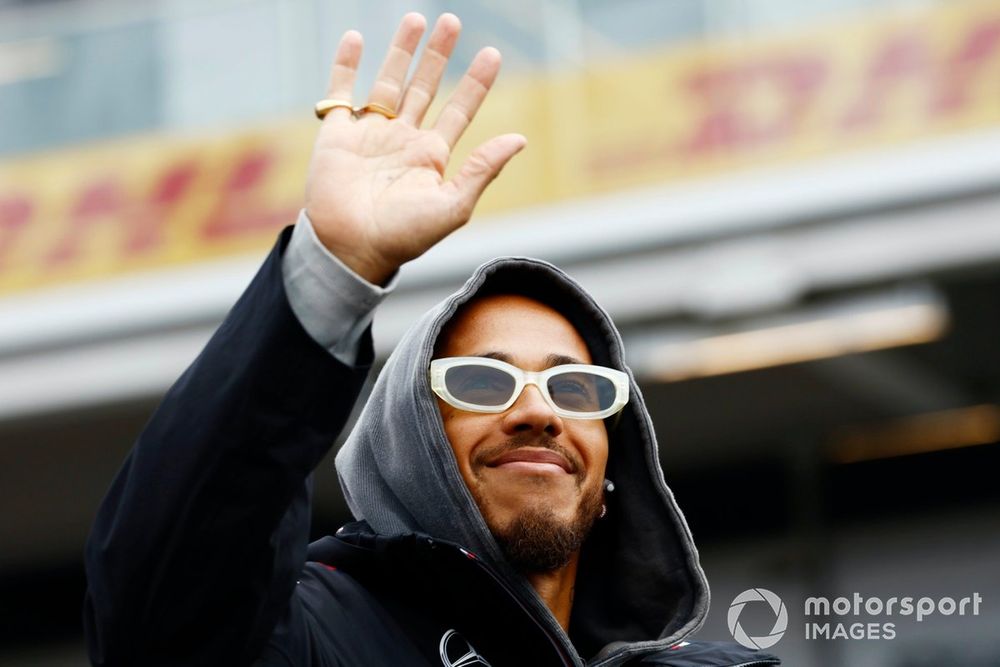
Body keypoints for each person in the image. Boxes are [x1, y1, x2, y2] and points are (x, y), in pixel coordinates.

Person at [83, 13, 781, 667]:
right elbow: (164, 606)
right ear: (405, 448)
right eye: (482, 380)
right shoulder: (313, 635)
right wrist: (332, 270)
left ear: (610, 475)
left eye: (576, 387)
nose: (539, 410)